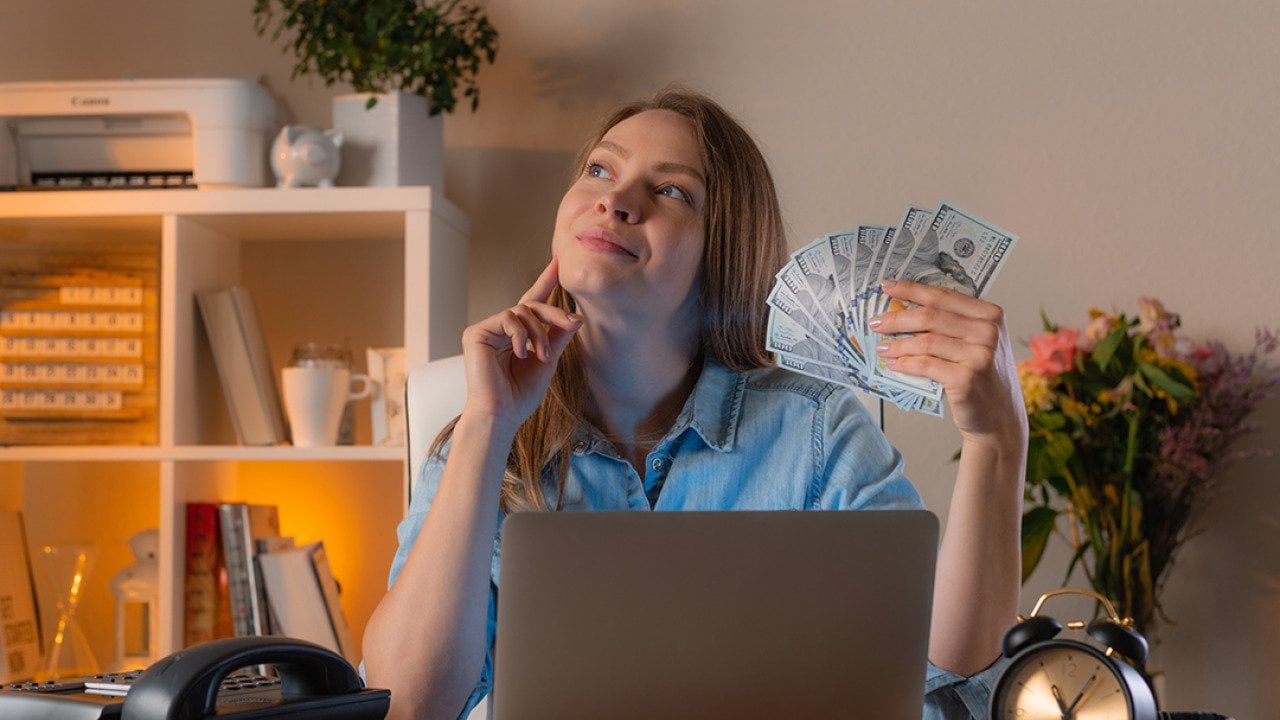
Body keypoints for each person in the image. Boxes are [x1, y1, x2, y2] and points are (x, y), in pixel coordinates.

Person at [362, 88, 1028, 720]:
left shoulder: (818, 431)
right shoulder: (482, 442)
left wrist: (998, 441)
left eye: (671, 190)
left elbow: (950, 679)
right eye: (599, 170)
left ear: (724, 252)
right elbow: (412, 704)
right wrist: (486, 425)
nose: (615, 201)